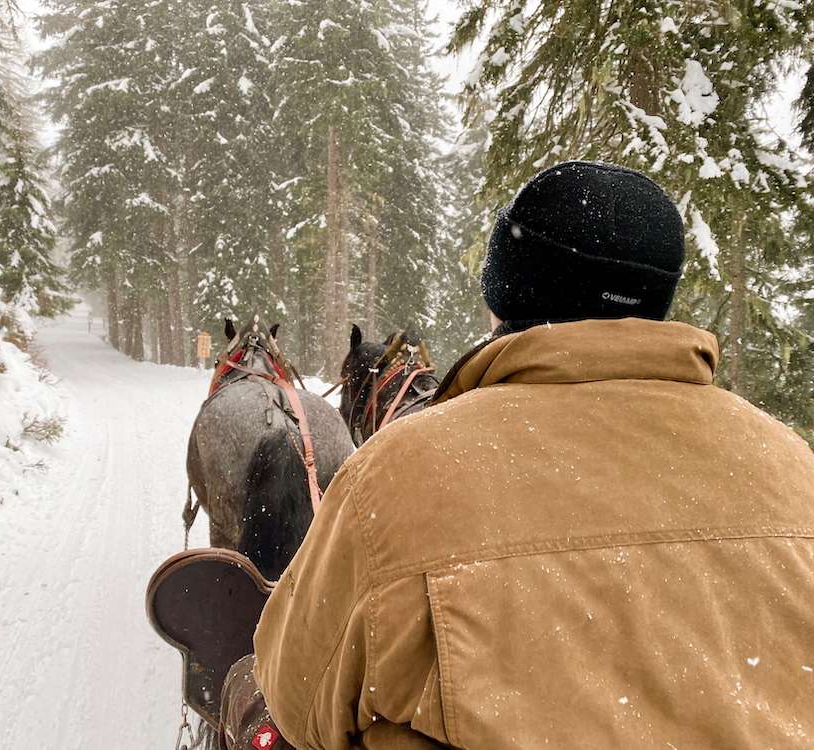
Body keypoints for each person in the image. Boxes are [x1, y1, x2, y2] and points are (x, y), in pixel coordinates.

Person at [219, 161, 814, 749]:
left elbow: (297, 693)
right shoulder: (794, 465)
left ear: (506, 292)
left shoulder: (393, 475)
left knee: (250, 690)